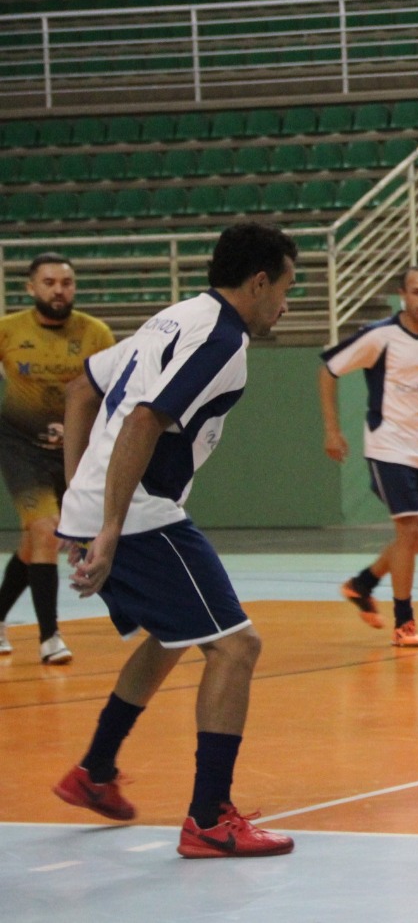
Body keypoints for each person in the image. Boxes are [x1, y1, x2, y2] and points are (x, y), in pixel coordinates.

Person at [52, 222, 299, 857]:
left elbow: (81, 389)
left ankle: (95, 771)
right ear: (260, 280)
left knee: (173, 636)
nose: (286, 306)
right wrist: (107, 525)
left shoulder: (175, 316)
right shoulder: (223, 340)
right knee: (236, 648)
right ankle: (209, 821)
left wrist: (77, 497)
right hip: (136, 513)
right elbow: (141, 419)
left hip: (106, 504)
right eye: (286, 289)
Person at [318, 266, 418, 647]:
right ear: (402, 295)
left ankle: (363, 583)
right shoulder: (380, 336)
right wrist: (332, 430)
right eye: (416, 292)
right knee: (408, 530)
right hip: (387, 444)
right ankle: (404, 621)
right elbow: (328, 371)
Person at [0, 253, 115, 664]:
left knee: (37, 541)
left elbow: (111, 394)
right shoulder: (9, 330)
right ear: (31, 289)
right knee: (47, 530)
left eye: (66, 282)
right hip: (20, 447)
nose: (58, 290)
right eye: (49, 282)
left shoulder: (95, 333)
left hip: (72, 452)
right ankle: (50, 637)